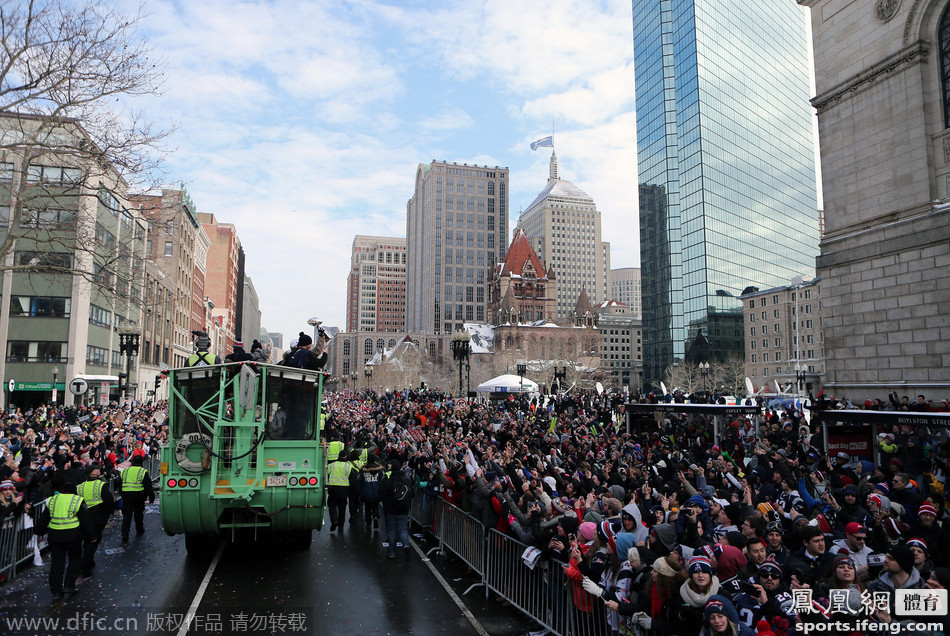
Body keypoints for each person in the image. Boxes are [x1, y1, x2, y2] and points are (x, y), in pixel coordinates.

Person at [34, 481, 95, 599]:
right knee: (75, 559)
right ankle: (69, 585)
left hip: (55, 536)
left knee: (57, 563)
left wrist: (38, 530)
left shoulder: (52, 500)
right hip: (73, 536)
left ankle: (56, 591)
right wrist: (92, 536)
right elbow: (85, 520)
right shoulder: (77, 500)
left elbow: (44, 518)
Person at [76, 462, 114, 578]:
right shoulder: (101, 485)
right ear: (93, 473)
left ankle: (89, 562)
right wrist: (110, 512)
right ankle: (85, 565)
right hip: (98, 515)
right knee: (94, 540)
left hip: (84, 516)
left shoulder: (80, 486)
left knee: (88, 540)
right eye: (97, 469)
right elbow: (108, 500)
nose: (99, 470)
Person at [380, 459, 413, 561]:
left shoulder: (388, 481)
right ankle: (406, 546)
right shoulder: (406, 480)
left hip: (391, 509)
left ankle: (392, 552)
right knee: (403, 529)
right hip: (403, 509)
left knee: (392, 530)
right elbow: (411, 493)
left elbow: (382, 495)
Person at [119, 451, 154, 542]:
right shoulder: (143, 471)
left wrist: (121, 493)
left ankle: (125, 534)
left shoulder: (124, 471)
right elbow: (148, 486)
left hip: (126, 495)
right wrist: (151, 497)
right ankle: (139, 529)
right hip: (139, 495)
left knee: (127, 516)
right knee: (138, 514)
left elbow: (119, 483)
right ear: (141, 463)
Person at [326, 441, 354, 532]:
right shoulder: (348, 466)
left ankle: (334, 521)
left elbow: (327, 474)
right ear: (345, 457)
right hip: (344, 489)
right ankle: (341, 526)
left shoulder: (331, 465)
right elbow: (351, 478)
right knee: (342, 507)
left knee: (332, 505)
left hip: (333, 488)